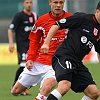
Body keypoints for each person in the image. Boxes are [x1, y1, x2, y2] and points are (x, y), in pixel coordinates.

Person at [11, 0, 72, 99]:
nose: (58, 5)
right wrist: (30, 58)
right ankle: (32, 82)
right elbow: (34, 41)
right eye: (55, 2)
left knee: (46, 89)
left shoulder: (71, 19)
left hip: (56, 63)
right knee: (15, 91)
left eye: (61, 2)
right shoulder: (42, 20)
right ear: (50, 2)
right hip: (39, 62)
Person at [41, 1, 100, 100]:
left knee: (93, 93)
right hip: (64, 56)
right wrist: (46, 43)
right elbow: (56, 25)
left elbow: (99, 50)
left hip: (77, 63)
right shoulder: (82, 18)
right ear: (97, 11)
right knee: (65, 85)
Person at [8, 0, 38, 96]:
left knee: (32, 67)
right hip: (22, 45)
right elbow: (10, 29)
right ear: (23, 4)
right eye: (27, 2)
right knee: (23, 65)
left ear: (32, 4)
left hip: (32, 46)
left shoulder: (35, 15)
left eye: (30, 2)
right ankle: (15, 86)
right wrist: (11, 43)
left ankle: (23, 88)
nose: (29, 4)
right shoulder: (19, 16)